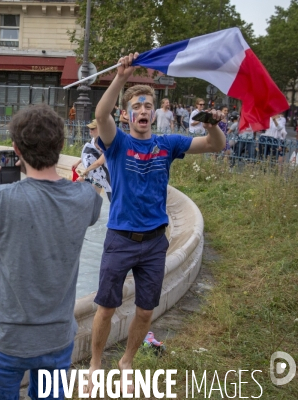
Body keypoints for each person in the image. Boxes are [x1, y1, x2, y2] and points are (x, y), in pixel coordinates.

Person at [87, 53, 225, 396]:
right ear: (127, 114)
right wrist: (120, 78)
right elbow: (100, 114)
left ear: (153, 113)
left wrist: (212, 125)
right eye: (137, 106)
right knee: (106, 308)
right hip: (120, 238)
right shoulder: (117, 142)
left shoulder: (168, 144)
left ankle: (127, 361)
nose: (144, 110)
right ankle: (95, 363)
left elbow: (214, 145)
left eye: (148, 105)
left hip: (154, 242)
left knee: (146, 311)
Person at [0, 104, 103, 400]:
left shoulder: (1, 197)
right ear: (61, 145)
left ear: (15, 150)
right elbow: (90, 196)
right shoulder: (85, 198)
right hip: (56, 338)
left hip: (5, 338)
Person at [72, 120, 112, 201]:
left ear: (100, 129)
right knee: (94, 197)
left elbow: (99, 162)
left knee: (112, 197)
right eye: (90, 128)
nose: (90, 130)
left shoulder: (107, 142)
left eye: (93, 128)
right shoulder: (94, 140)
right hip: (98, 173)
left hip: (109, 173)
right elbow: (92, 155)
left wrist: (84, 173)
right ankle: (95, 213)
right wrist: (78, 162)